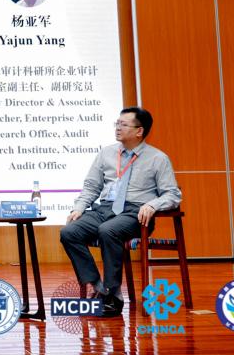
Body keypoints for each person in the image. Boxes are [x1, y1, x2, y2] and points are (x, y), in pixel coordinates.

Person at [60, 107, 182, 317]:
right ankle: (99, 286)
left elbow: (172, 194)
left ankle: (113, 294)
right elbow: (91, 186)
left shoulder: (158, 158)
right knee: (69, 232)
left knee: (108, 230)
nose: (117, 128)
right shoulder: (106, 153)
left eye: (123, 124)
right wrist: (79, 207)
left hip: (135, 212)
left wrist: (153, 205)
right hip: (104, 209)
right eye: (117, 123)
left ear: (139, 131)